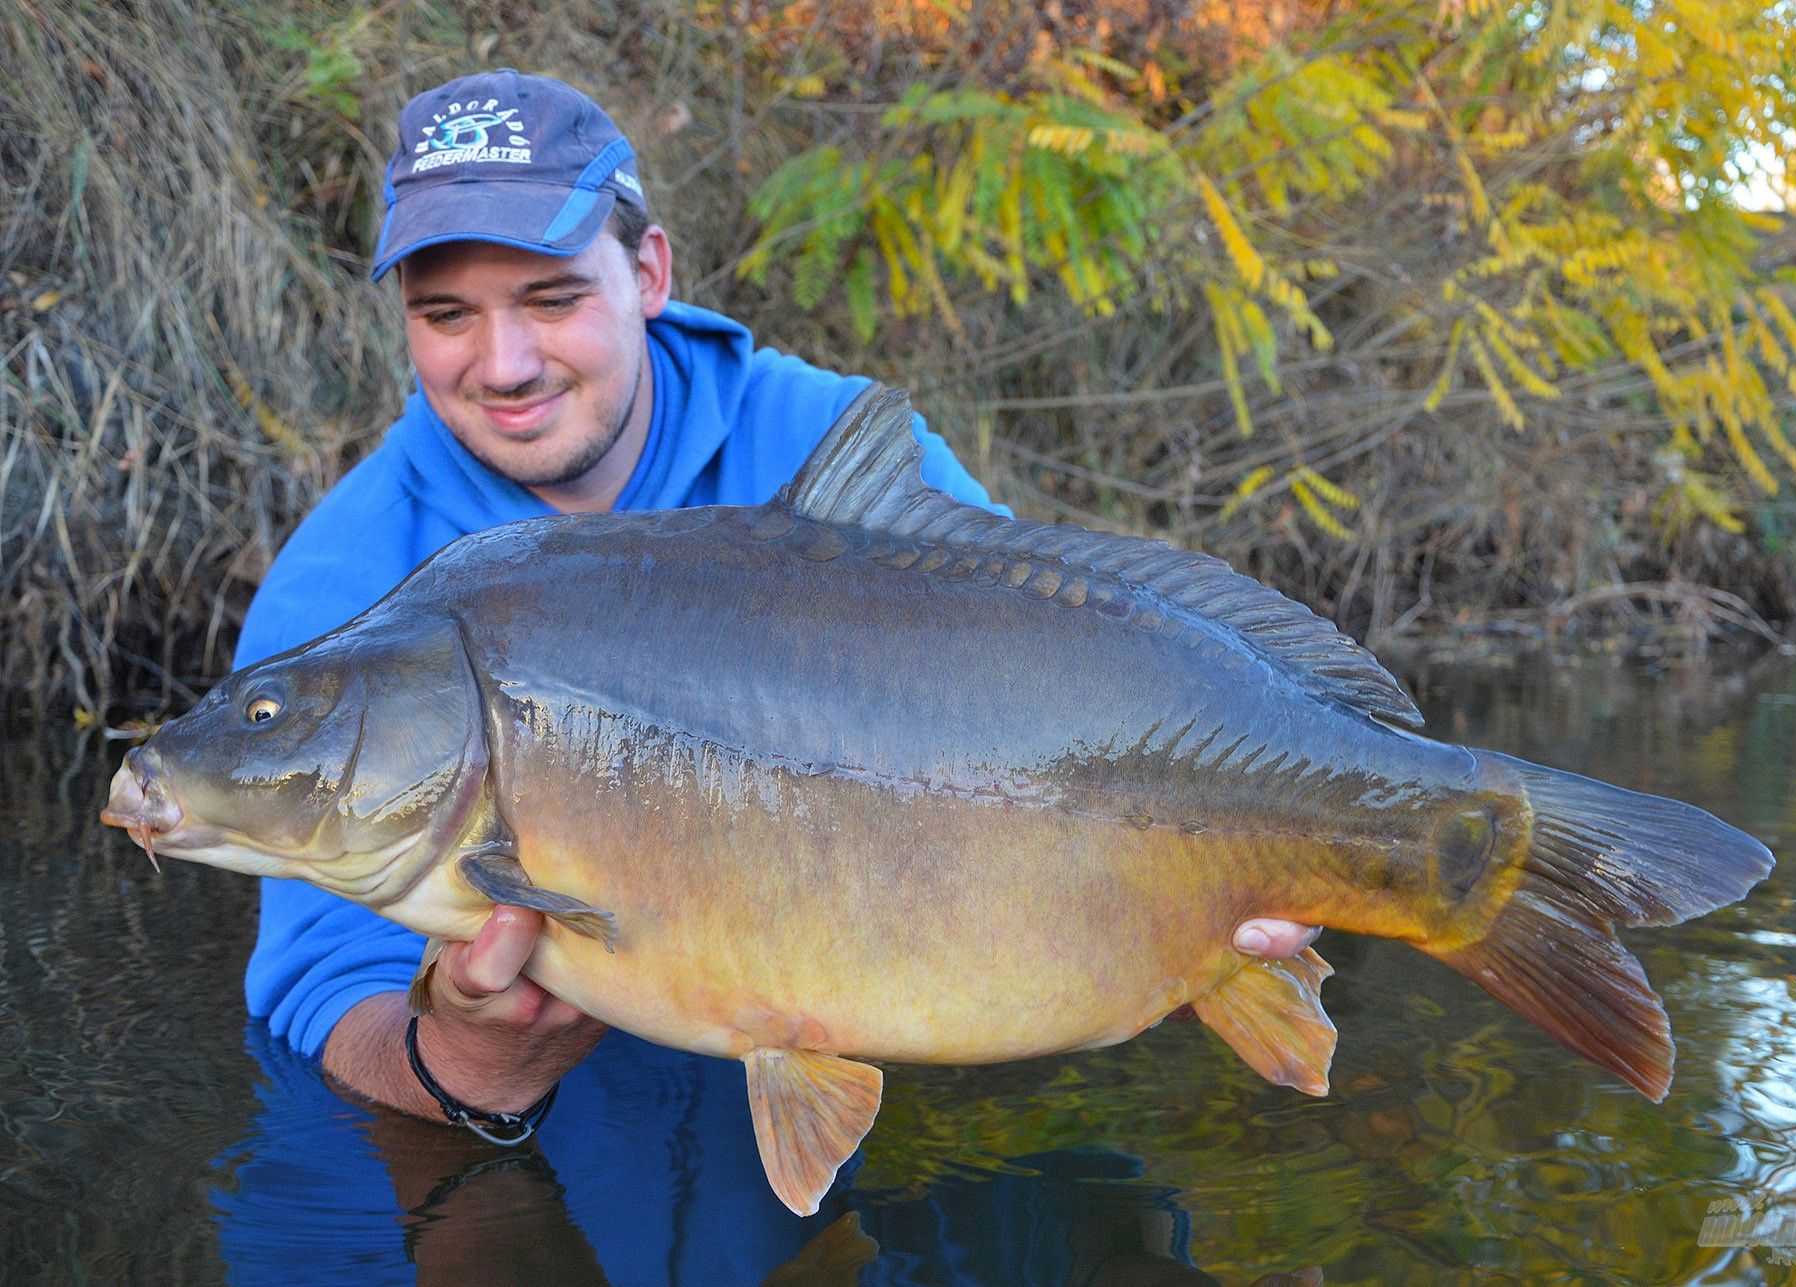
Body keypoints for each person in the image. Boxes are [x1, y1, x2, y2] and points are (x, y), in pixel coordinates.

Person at [236, 69, 1321, 1149]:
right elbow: (323, 1000)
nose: (506, 363)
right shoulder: (345, 594)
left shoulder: (818, 446)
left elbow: (1051, 696)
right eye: (446, 316)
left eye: (553, 299)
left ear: (647, 271)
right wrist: (476, 1065)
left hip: (890, 1135)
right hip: (567, 1163)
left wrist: (1202, 886)